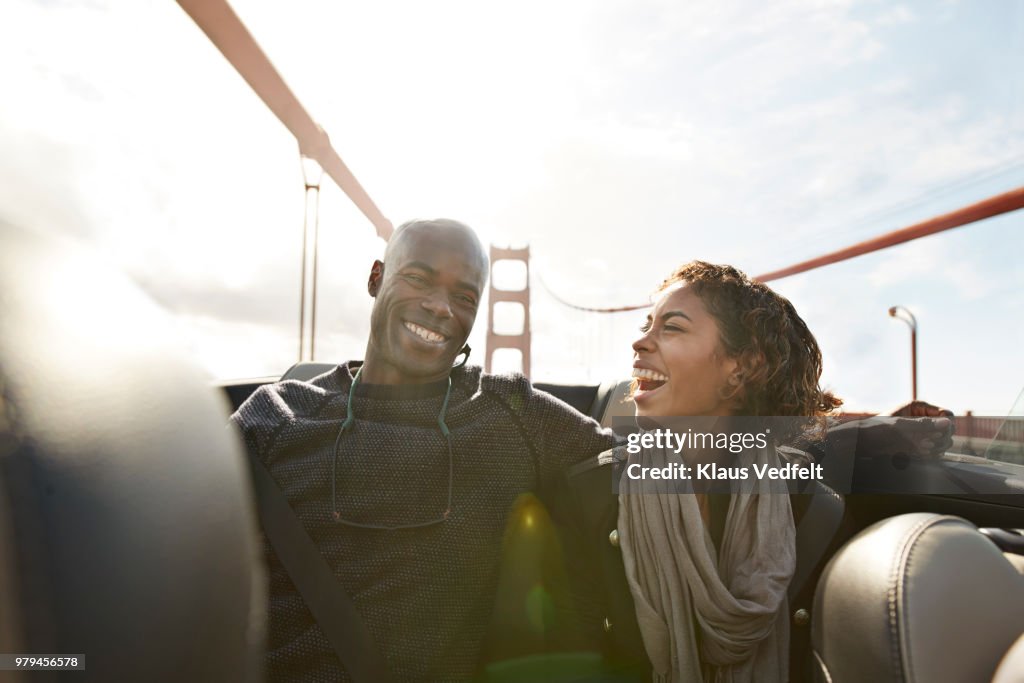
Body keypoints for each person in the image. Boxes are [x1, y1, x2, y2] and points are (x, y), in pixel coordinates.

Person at [230, 218, 617, 682]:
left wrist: (677, 389)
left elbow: (666, 464)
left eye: (465, 297)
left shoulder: (512, 412)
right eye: (418, 278)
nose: (440, 308)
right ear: (376, 278)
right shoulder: (276, 416)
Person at [557, 261, 952, 683]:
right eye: (647, 324)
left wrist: (871, 434)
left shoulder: (802, 498)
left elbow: (802, 451)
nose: (639, 342)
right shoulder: (589, 496)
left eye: (671, 327)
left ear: (740, 368)